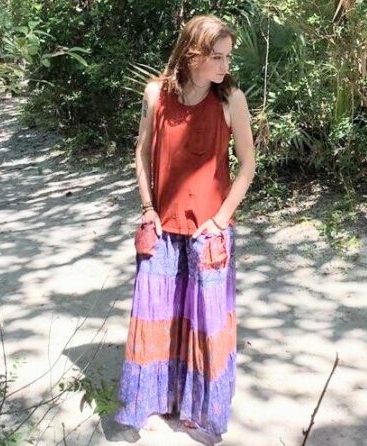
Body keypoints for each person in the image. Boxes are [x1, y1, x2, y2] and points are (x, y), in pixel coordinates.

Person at [114, 14, 255, 439]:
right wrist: (148, 207)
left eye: (228, 57)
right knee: (158, 318)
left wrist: (219, 220)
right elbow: (142, 153)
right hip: (163, 228)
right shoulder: (156, 94)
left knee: (206, 325)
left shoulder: (232, 101)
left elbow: (247, 167)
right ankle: (157, 402)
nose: (224, 66)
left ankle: (200, 411)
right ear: (192, 54)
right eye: (216, 57)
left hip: (208, 232)